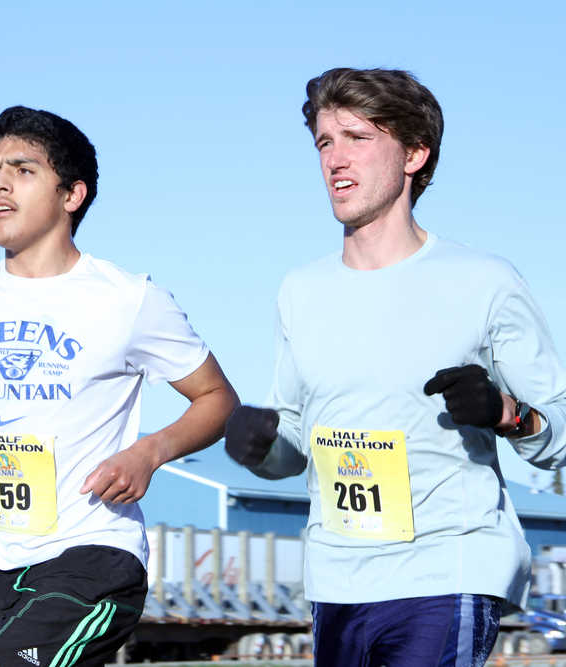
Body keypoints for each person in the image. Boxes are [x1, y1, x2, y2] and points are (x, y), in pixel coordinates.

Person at [224, 67, 566, 666]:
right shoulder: (300, 290)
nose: (335, 158)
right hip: (337, 581)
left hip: (448, 568)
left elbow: (558, 438)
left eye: (357, 138)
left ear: (414, 154)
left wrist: (507, 414)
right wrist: (258, 446)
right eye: (325, 142)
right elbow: (296, 445)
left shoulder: (484, 281)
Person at [0, 105, 238, 667]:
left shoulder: (127, 298)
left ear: (71, 195)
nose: (0, 183)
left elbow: (219, 399)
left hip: (94, 556)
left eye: (23, 170)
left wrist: (150, 452)